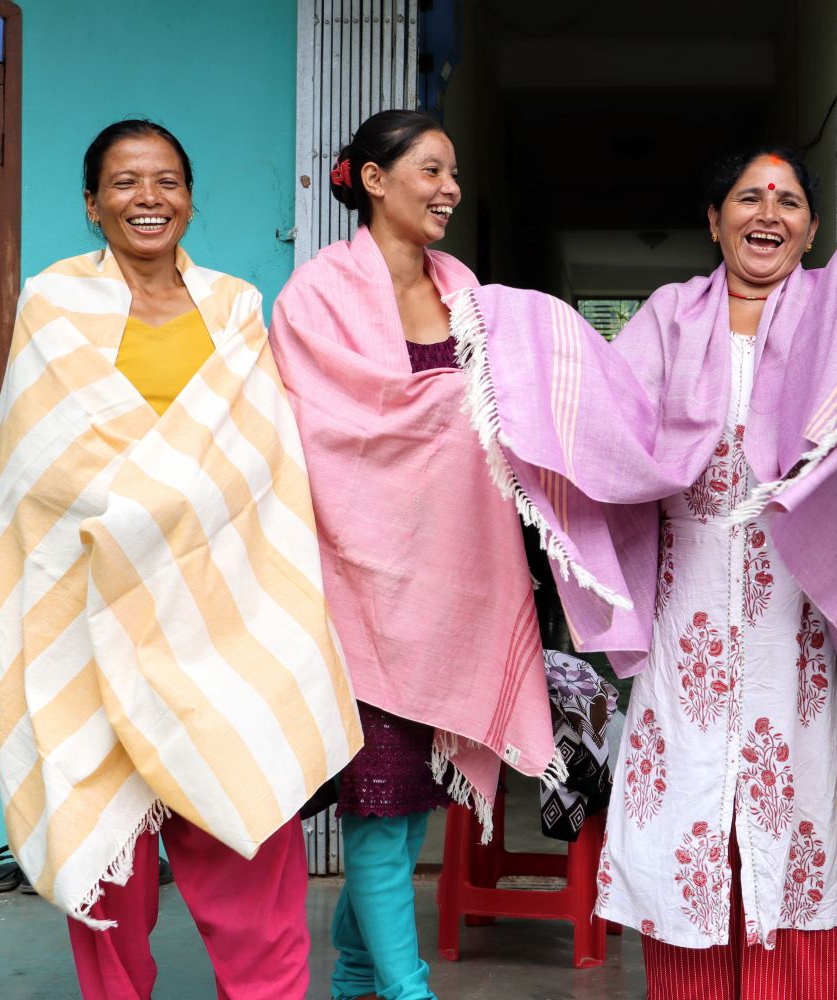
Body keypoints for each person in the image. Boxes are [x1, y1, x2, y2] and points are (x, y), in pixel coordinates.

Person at [449, 147, 837, 999]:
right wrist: (510, 330)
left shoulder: (835, 321)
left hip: (800, 630)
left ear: (813, 228)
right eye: (748, 197)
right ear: (715, 223)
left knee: (793, 823)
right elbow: (603, 416)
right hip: (688, 626)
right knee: (691, 830)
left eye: (788, 200)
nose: (767, 213)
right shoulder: (669, 318)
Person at [0, 119, 361, 1000]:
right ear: (91, 205)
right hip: (87, 625)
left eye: (165, 180)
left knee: (252, 850)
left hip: (223, 620)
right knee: (108, 875)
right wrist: (163, 505)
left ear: (190, 199)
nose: (147, 198)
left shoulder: (236, 306)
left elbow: (261, 460)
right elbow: (43, 468)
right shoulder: (53, 303)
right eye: (123, 183)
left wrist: (175, 511)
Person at [268, 109, 562, 1000]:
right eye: (431, 170)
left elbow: (503, 414)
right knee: (380, 810)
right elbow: (320, 433)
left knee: (403, 811)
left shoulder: (465, 289)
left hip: (452, 592)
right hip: (354, 594)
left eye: (455, 174)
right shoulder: (313, 296)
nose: (449, 190)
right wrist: (447, 414)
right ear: (371, 179)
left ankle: (358, 973)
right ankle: (406, 990)